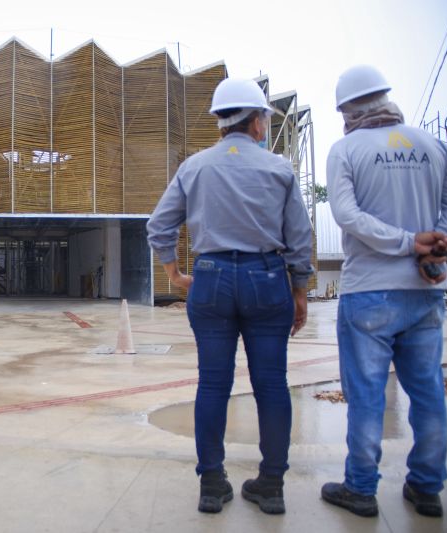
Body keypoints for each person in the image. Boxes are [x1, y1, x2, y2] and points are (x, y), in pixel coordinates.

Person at [147, 77, 313, 515]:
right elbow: (299, 238)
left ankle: (212, 484)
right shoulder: (279, 169)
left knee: (213, 383)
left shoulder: (194, 167)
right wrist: (300, 292)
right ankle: (272, 485)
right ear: (257, 121)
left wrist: (176, 273)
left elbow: (159, 226)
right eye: (264, 118)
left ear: (221, 121)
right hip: (267, 277)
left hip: (212, 277)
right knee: (272, 384)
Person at [321, 64, 447, 518]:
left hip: (369, 291)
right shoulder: (433, 146)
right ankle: (426, 487)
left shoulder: (346, 149)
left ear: (348, 108)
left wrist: (406, 243)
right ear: (385, 97)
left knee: (366, 395)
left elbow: (346, 215)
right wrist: (439, 244)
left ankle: (361, 489)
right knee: (426, 392)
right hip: (425, 290)